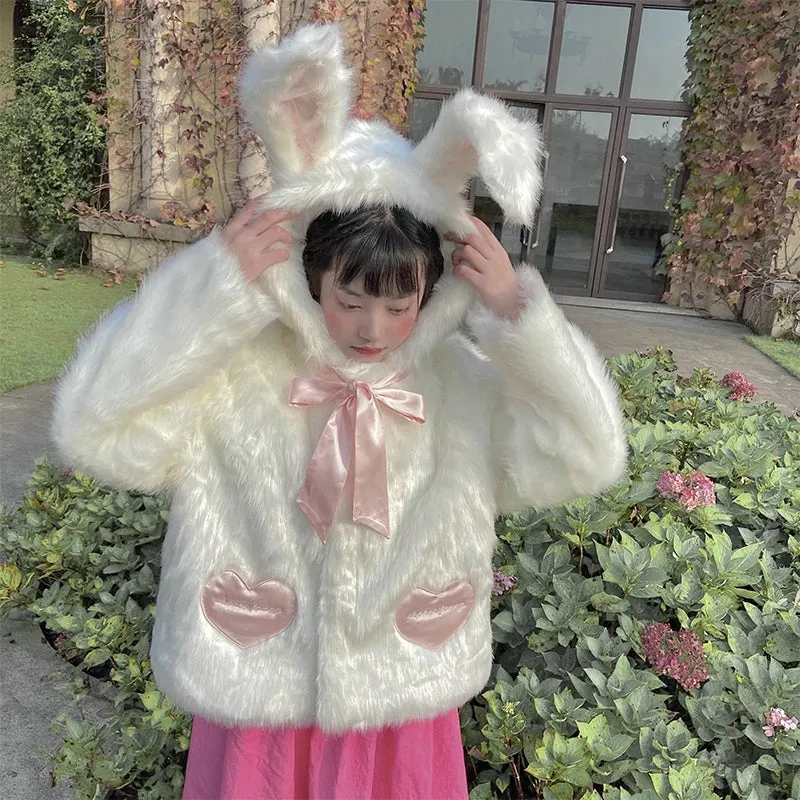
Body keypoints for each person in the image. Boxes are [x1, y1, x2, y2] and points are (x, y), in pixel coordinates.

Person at [52, 24, 628, 800]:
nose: (371, 330)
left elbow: (585, 456)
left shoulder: (459, 382)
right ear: (308, 276)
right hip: (260, 686)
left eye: (399, 305)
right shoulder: (239, 370)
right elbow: (95, 429)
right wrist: (208, 294)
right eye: (350, 300)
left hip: (403, 691)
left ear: (433, 289)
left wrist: (519, 315)